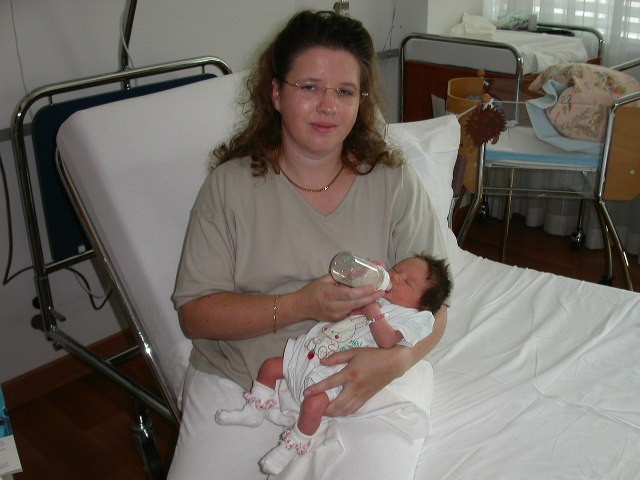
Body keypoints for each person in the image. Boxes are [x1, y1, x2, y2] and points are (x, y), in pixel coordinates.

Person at [170, 9, 454, 479]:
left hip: (367, 374)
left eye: (344, 91)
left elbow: (436, 306)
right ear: (276, 93)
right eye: (309, 87)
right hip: (250, 375)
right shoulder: (230, 188)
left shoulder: (392, 181)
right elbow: (195, 315)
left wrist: (398, 361)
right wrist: (301, 305)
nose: (328, 106)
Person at [215, 254, 452, 475]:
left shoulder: (415, 318)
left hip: (336, 371)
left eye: (407, 282)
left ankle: (293, 444)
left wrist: (372, 308)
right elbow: (346, 311)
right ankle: (254, 411)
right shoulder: (377, 296)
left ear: (423, 304)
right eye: (397, 270)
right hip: (316, 351)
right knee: (270, 367)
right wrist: (361, 283)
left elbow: (388, 340)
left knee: (315, 403)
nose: (395, 278)